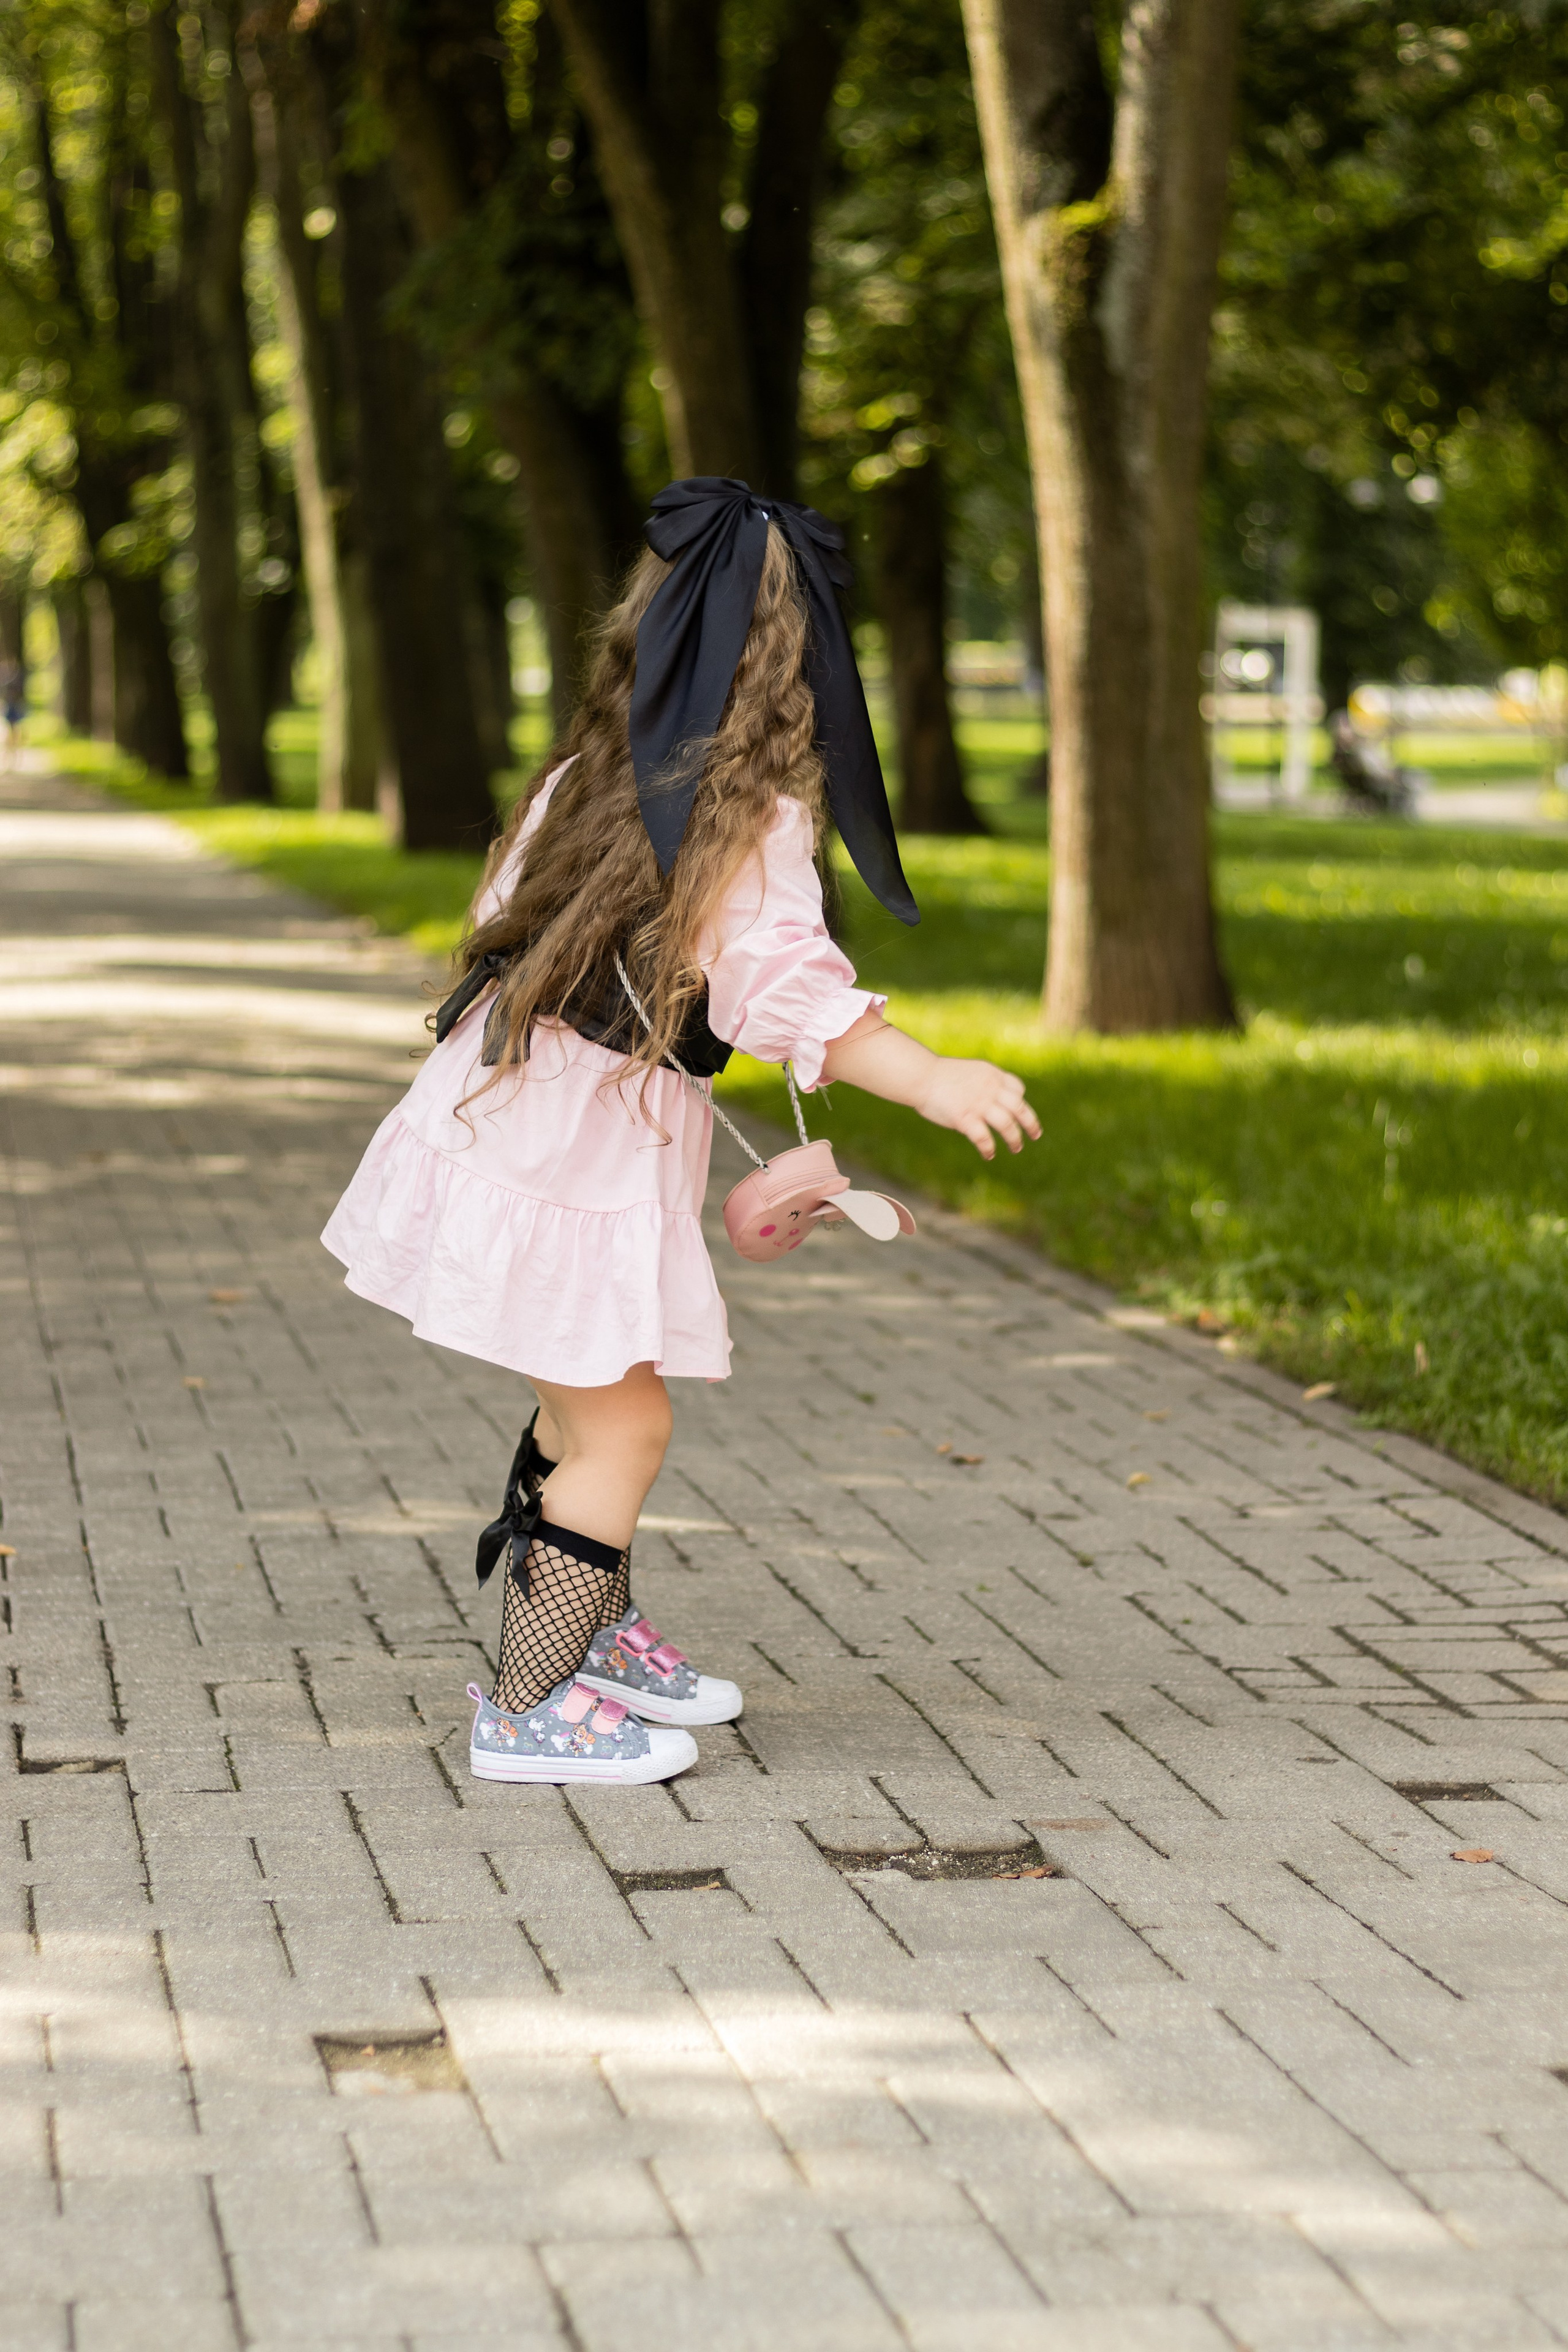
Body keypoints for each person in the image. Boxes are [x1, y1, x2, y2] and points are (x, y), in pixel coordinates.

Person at [322, 477, 1039, 1788]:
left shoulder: (592, 774)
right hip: (567, 1155)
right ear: (797, 662)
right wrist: (930, 1076)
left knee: (580, 1403)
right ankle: (526, 1708)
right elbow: (784, 986)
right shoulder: (748, 822)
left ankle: (586, 1635)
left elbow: (506, 912)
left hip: (525, 1123)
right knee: (625, 1429)